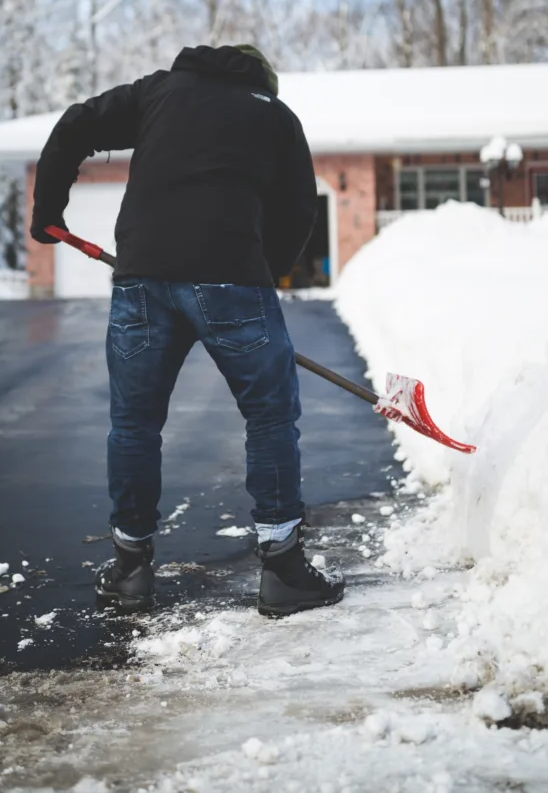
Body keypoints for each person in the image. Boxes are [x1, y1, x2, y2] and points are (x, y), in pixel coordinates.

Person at [31, 44, 344, 617]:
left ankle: (129, 568)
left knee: (134, 423)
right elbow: (300, 207)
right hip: (231, 278)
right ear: (264, 81)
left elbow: (76, 122)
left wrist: (47, 207)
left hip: (142, 277)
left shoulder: (158, 92)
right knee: (270, 416)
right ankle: (282, 570)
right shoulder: (274, 115)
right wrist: (258, 271)